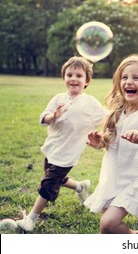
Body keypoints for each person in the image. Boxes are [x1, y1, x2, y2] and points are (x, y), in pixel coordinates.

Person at [16, 56, 106, 232]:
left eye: (79, 76)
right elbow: (44, 117)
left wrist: (120, 115)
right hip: (52, 149)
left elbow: (105, 116)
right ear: (64, 77)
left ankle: (31, 219)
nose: (73, 79)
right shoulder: (58, 98)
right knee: (58, 178)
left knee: (48, 183)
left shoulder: (90, 103)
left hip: (68, 153)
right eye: (69, 74)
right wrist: (54, 116)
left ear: (87, 81)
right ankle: (81, 186)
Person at [84, 54, 138, 234]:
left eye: (136, 78)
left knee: (108, 223)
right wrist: (98, 143)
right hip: (111, 178)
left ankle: (133, 236)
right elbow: (109, 143)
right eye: (124, 77)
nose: (128, 82)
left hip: (133, 181)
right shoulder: (117, 113)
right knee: (106, 230)